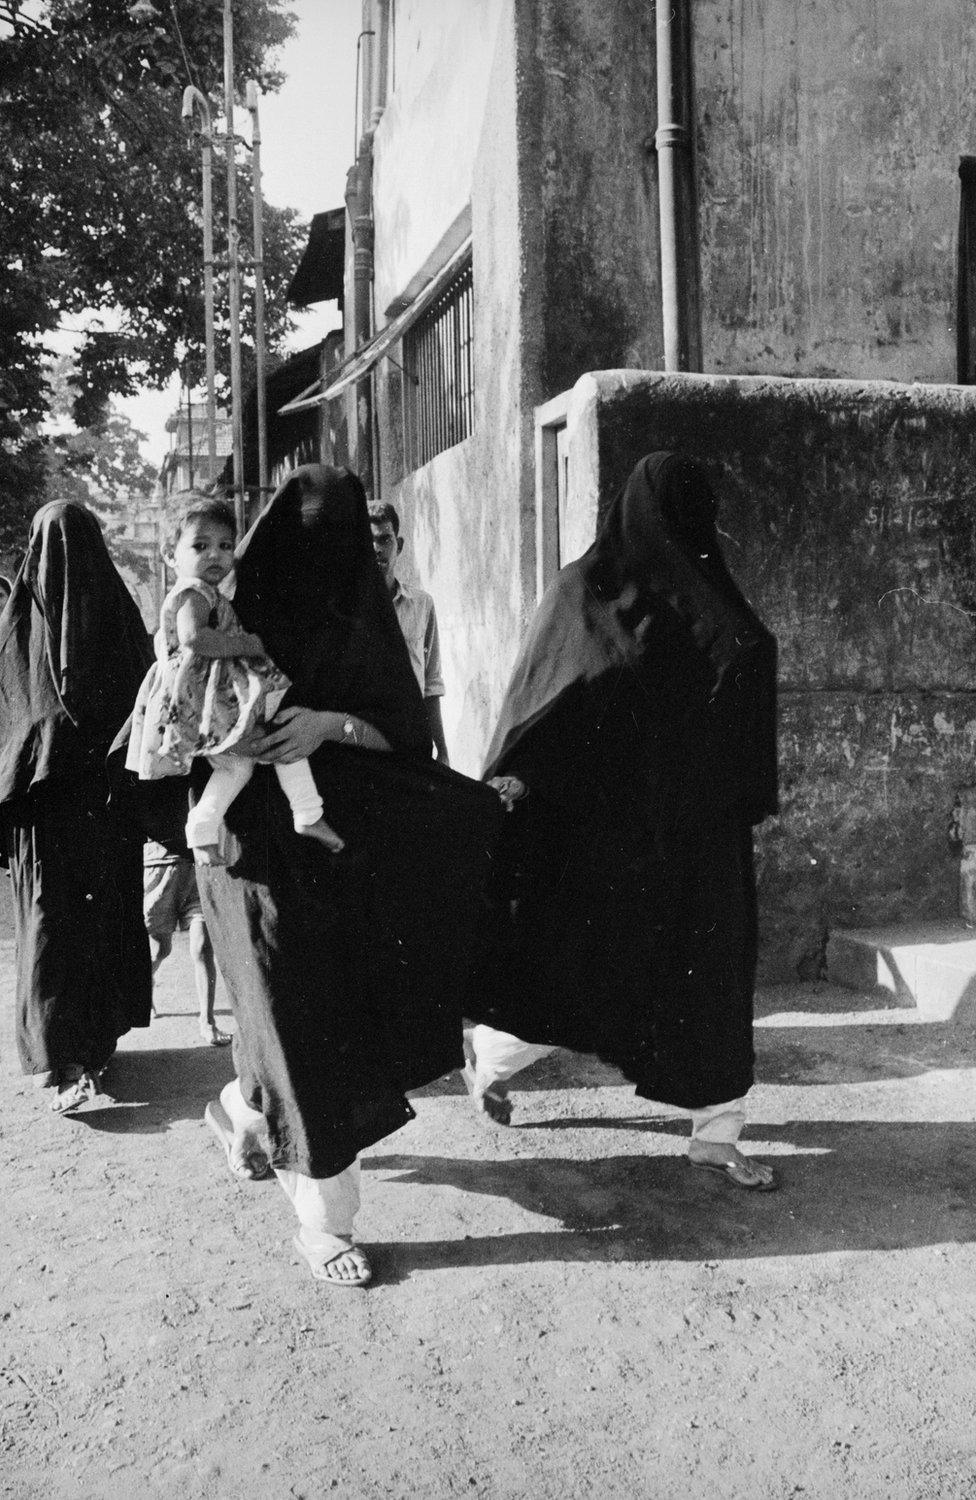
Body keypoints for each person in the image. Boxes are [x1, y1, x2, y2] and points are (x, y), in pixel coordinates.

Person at [114, 466, 502, 1287]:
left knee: (311, 1022)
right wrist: (234, 747)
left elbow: (402, 734)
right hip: (248, 864)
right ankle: (326, 1223)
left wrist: (327, 724)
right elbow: (174, 723)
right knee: (297, 1022)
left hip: (333, 854)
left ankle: (245, 1111)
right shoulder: (232, 614)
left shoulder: (366, 626)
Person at [465, 452, 780, 1191]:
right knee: (582, 971)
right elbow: (543, 704)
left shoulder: (717, 606)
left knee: (712, 989)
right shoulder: (583, 593)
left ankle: (716, 1135)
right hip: (606, 837)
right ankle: (494, 1055)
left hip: (700, 840)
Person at [0, 501, 153, 1113]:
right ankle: (59, 1056)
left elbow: (148, 706)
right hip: (47, 813)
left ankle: (93, 1041)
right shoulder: (16, 635)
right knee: (52, 923)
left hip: (100, 807)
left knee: (97, 918)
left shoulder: (115, 624)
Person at [125, 495, 343, 861]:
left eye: (225, 546)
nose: (215, 555)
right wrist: (244, 643)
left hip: (212, 695)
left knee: (241, 763)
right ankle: (307, 812)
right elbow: (196, 637)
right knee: (274, 740)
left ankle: (204, 825)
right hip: (210, 700)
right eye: (200, 546)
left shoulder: (212, 591)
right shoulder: (193, 593)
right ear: (169, 554)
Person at [368, 502, 450, 764]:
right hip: (368, 742)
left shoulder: (422, 605)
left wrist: (443, 750)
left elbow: (431, 684)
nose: (377, 548)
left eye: (385, 539)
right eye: (368, 539)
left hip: (414, 741)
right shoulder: (349, 610)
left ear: (399, 545)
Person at [143, 835, 230, 1047]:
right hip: (158, 867)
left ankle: (207, 1022)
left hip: (198, 865)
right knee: (159, 950)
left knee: (202, 948)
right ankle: (146, 985)